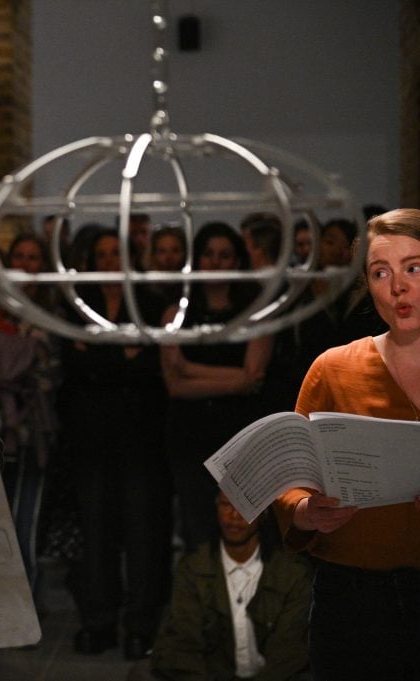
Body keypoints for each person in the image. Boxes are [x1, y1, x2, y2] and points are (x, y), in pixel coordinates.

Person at [272, 208, 420, 680]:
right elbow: (291, 478)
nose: (397, 287)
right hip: (352, 594)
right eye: (381, 272)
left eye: (413, 268)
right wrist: (302, 511)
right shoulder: (335, 368)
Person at [58, 228, 170, 659]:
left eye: (115, 253)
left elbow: (149, 369)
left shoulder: (154, 304)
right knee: (95, 533)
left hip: (142, 437)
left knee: (145, 535)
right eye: (101, 253)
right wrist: (121, 355)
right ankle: (97, 622)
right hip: (89, 439)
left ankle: (140, 626)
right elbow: (73, 363)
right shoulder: (74, 308)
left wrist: (98, 357)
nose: (108, 260)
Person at [161, 222, 274, 552]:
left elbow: (254, 377)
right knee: (198, 530)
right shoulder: (175, 314)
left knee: (247, 529)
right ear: (196, 261)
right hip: (189, 435)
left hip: (241, 434)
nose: (215, 262)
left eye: (225, 255)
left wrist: (189, 368)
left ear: (238, 262)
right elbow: (175, 386)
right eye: (208, 254)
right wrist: (235, 379)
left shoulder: (256, 312)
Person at [130, 491, 312, 681]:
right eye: (226, 505)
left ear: (262, 514)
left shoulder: (291, 572)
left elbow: (289, 649)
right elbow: (184, 640)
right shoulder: (194, 567)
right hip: (213, 675)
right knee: (142, 674)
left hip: (270, 676)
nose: (233, 515)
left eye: (244, 508)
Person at [0, 232, 60, 593]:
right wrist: (24, 354)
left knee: (28, 519)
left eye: (33, 258)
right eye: (19, 256)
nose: (25, 264)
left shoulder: (53, 316)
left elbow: (51, 370)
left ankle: (27, 601)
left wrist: (4, 354)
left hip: (33, 432)